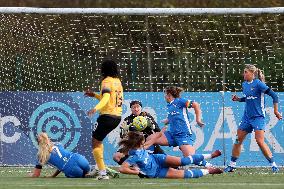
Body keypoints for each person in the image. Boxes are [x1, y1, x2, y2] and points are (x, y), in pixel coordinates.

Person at [224, 64, 282, 173]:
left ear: (252, 73)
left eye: (245, 72)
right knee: (237, 140)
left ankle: (273, 165)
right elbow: (248, 98)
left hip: (258, 117)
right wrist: (238, 99)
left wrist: (275, 111)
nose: (243, 74)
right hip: (247, 118)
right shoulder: (244, 84)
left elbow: (274, 96)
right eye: (244, 72)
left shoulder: (259, 84)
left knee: (259, 141)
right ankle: (232, 165)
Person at [118, 131, 223, 178]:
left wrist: (160, 133)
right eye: (142, 140)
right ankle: (208, 171)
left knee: (184, 161)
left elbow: (152, 141)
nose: (144, 141)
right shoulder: (133, 156)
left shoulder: (141, 147)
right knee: (185, 175)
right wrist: (136, 172)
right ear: (138, 143)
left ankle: (211, 155)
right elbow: (122, 169)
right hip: (156, 172)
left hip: (158, 159)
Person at [150, 86, 209, 166]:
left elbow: (196, 104)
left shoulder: (179, 101)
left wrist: (198, 120)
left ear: (169, 95)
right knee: (151, 138)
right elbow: (174, 116)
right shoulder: (170, 105)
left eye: (165, 94)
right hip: (172, 134)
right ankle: (148, 163)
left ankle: (208, 165)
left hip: (183, 134)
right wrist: (167, 120)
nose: (164, 96)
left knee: (190, 157)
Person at [85, 59, 123, 180]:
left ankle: (102, 173)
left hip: (107, 116)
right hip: (117, 117)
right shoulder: (118, 82)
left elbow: (106, 98)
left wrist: (95, 108)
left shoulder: (106, 81)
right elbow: (108, 98)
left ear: (104, 69)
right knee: (99, 140)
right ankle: (98, 167)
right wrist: (95, 95)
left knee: (95, 142)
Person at [113, 100, 164, 176]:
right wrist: (125, 131)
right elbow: (123, 138)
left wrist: (151, 126)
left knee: (166, 161)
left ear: (141, 108)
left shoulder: (147, 117)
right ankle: (138, 171)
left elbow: (158, 131)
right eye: (133, 107)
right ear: (131, 109)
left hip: (148, 144)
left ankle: (177, 167)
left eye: (138, 107)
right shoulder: (127, 120)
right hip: (133, 146)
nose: (136, 109)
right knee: (116, 156)